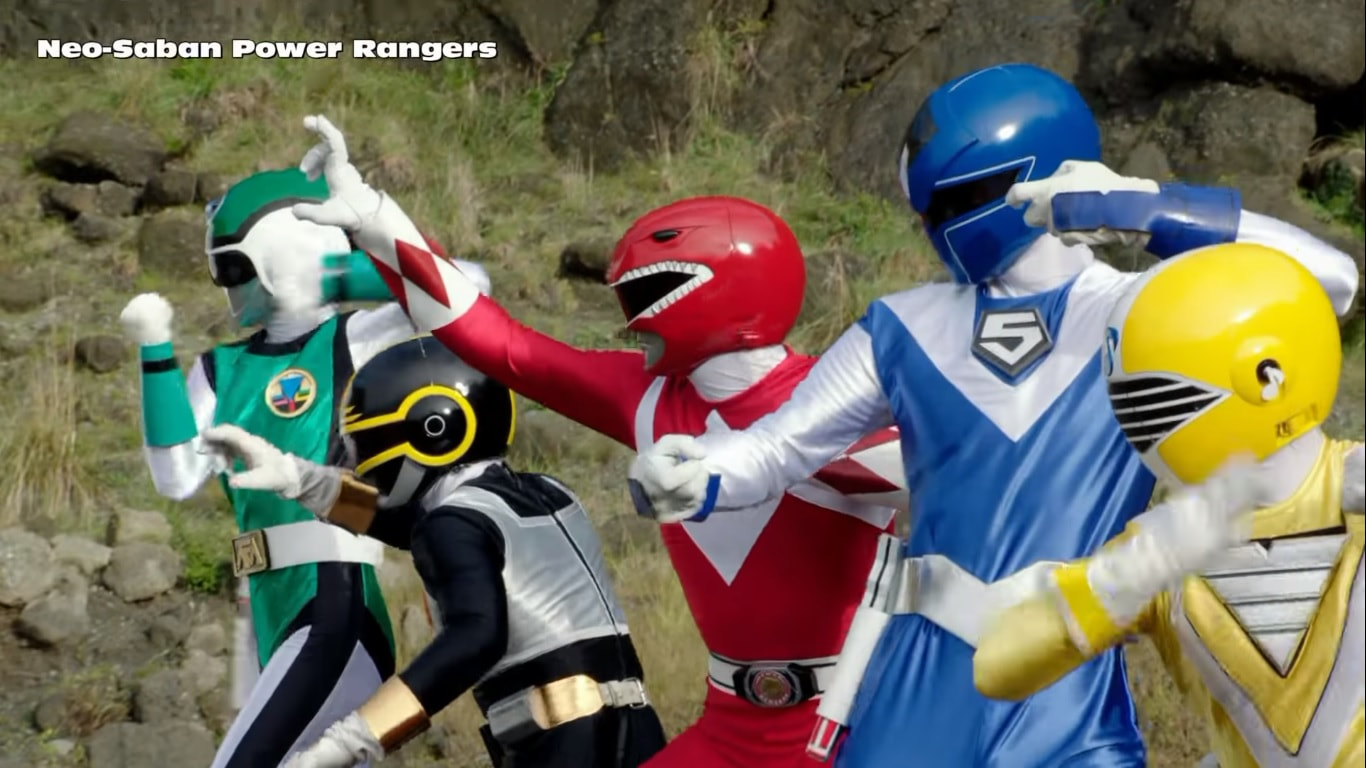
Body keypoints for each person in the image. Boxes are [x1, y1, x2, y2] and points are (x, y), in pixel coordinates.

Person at [627, 63, 1361, 767]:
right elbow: (776, 447)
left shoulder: (1139, 311)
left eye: (957, 198)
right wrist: (702, 469)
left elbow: (1328, 283)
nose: (939, 224)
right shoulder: (903, 325)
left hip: (1066, 673)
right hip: (918, 678)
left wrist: (1144, 208)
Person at [283, 115, 909, 767]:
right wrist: (375, 222)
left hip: (855, 723)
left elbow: (962, 490)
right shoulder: (650, 398)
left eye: (645, 293)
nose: (629, 319)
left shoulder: (830, 408)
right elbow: (499, 344)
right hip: (731, 726)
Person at [117, 167, 490, 768]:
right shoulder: (220, 368)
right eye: (220, 270)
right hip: (263, 601)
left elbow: (470, 286)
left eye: (234, 267)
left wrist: (336, 273)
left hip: (333, 597)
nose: (227, 286)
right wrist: (154, 350)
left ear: (278, 253)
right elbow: (176, 477)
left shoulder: (352, 337)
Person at [974, 242, 1365, 768]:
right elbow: (995, 666)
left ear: (1268, 376)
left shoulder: (1353, 486)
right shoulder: (1161, 547)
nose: (1141, 422)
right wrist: (1120, 580)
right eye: (1132, 402)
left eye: (1158, 397)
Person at [200, 336, 669, 768]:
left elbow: (477, 636)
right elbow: (414, 527)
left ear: (432, 430)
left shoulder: (454, 522)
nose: (365, 464)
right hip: (637, 728)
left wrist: (355, 737)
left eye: (373, 443)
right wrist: (297, 478)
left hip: (561, 746)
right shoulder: (548, 491)